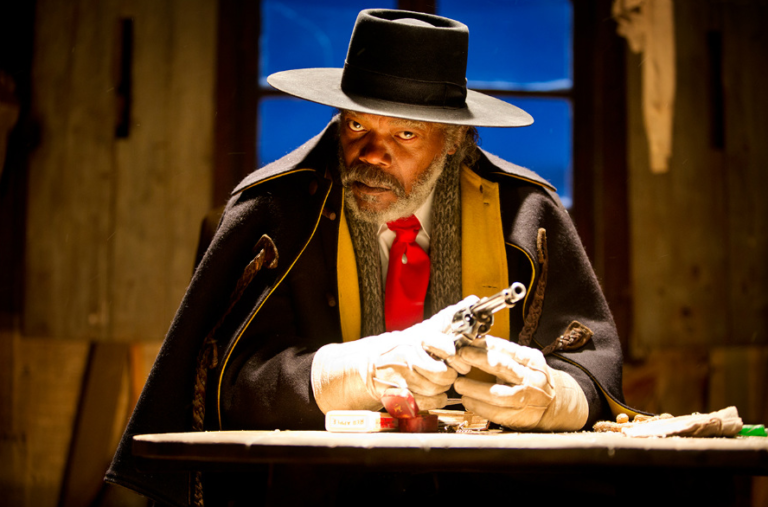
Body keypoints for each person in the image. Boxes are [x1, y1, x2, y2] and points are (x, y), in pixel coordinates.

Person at [107, 9, 633, 506]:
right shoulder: (276, 212)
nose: (372, 155)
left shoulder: (526, 214)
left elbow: (589, 366)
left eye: (405, 134)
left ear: (454, 140)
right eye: (357, 126)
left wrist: (549, 397)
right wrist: (362, 370)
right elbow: (222, 383)